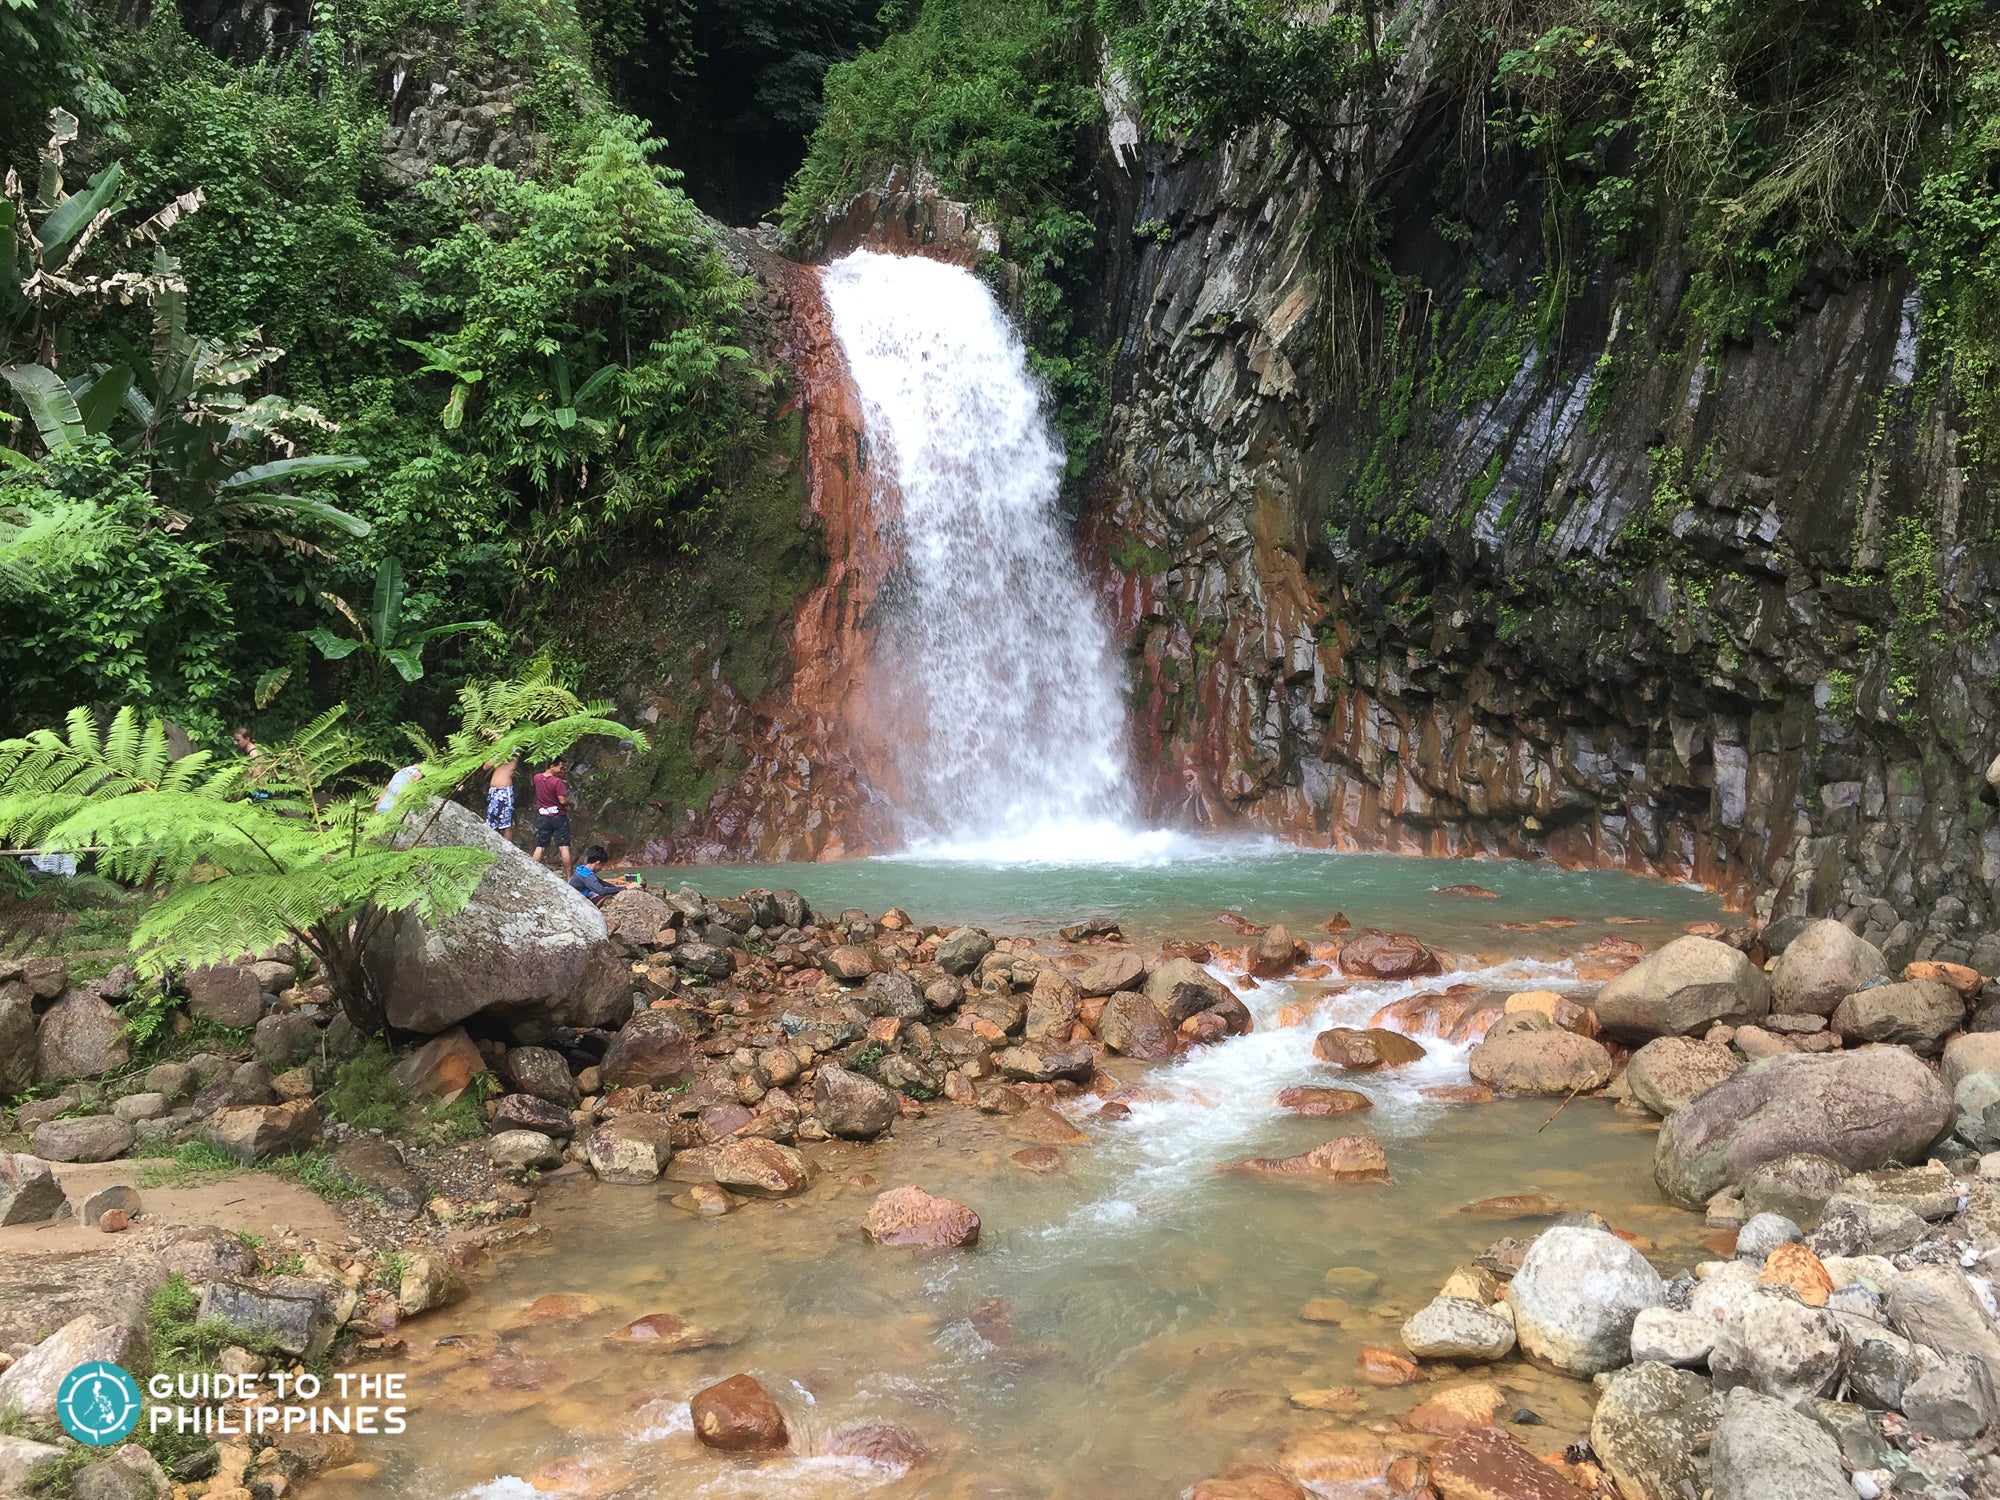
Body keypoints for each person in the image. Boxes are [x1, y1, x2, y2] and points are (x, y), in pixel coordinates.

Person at [530, 756, 574, 878]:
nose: (563, 771)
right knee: (564, 847)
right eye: (561, 768)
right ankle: (570, 878)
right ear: (552, 766)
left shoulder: (537, 778)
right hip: (558, 817)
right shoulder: (557, 782)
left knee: (540, 846)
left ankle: (531, 874)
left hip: (544, 817)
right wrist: (571, 804)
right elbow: (562, 801)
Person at [569, 845, 634, 905]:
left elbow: (601, 882)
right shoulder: (588, 876)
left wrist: (618, 887)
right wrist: (625, 888)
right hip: (577, 902)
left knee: (608, 884)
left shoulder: (581, 868)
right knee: (603, 896)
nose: (601, 868)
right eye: (602, 865)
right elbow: (602, 891)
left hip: (574, 896)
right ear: (598, 862)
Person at [486, 754, 518, 844]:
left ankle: (507, 851)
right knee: (490, 823)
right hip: (493, 791)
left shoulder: (512, 749)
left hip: (503, 791)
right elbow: (486, 766)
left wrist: (495, 749)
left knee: (505, 824)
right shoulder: (498, 751)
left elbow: (488, 765)